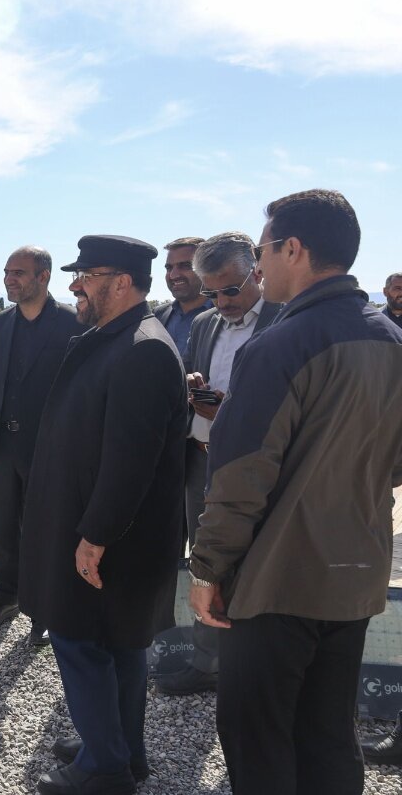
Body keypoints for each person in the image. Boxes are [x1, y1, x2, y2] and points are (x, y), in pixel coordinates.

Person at [189, 189, 402, 795]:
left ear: (293, 249)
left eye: (262, 251)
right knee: (328, 733)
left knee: (257, 738)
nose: (258, 267)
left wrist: (207, 569)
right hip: (356, 574)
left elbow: (239, 478)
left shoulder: (279, 345)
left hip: (279, 580)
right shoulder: (391, 339)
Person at [20, 235, 187, 795]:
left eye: (87, 276)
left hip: (110, 539)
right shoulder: (115, 338)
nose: (75, 285)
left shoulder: (142, 348)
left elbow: (130, 462)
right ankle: (117, 747)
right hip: (101, 529)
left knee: (80, 641)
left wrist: (94, 537)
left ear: (122, 283)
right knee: (118, 644)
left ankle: (105, 769)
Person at [155, 231, 282, 697]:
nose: (222, 302)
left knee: (254, 565)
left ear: (257, 272)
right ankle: (207, 663)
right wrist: (194, 386)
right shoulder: (206, 323)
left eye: (230, 289)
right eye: (212, 293)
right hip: (200, 461)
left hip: (257, 471)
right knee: (204, 564)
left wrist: (229, 413)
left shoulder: (286, 320)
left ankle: (253, 667)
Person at [0, 245, 81, 644]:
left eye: (18, 272)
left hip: (50, 449)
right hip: (3, 445)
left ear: (43, 276)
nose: (9, 279)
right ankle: (6, 595)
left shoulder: (73, 322)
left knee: (46, 530)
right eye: (6, 272)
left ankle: (44, 609)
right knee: (4, 527)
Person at [154, 237, 212, 358]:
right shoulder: (158, 315)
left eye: (185, 266)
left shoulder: (225, 316)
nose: (173, 275)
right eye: (169, 268)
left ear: (207, 269)